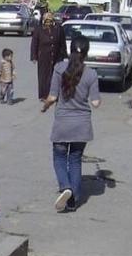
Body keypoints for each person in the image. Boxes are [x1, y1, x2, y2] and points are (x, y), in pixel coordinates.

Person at [40, 34, 101, 214]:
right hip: (82, 127)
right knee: (75, 160)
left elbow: (52, 97)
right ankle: (73, 201)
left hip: (62, 125)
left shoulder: (59, 69)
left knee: (59, 158)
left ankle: (65, 186)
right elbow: (96, 103)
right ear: (87, 52)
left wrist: (45, 107)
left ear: (70, 49)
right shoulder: (91, 73)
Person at [30, 10, 67, 102]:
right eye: (46, 19)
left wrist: (63, 55)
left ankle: (54, 95)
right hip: (43, 56)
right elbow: (34, 43)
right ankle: (44, 95)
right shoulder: (39, 29)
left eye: (50, 19)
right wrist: (34, 56)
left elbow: (63, 43)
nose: (48, 21)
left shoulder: (59, 28)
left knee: (55, 76)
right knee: (43, 76)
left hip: (56, 56)